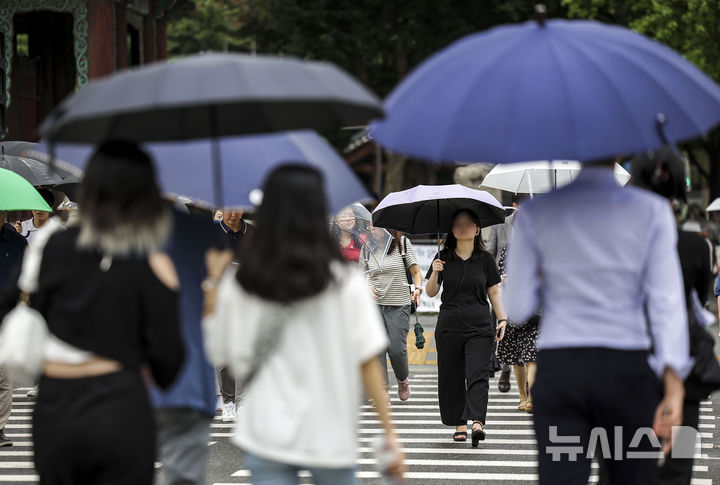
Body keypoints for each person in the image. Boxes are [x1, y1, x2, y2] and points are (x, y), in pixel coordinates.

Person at [203, 164, 404, 485]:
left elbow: (226, 352)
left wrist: (214, 283)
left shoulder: (245, 281)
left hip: (267, 431)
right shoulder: (345, 282)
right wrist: (389, 434)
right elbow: (367, 361)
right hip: (330, 433)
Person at [0, 141, 185, 484]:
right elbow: (169, 359)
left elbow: (10, 304)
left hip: (58, 404)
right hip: (120, 401)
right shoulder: (148, 257)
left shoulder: (49, 244)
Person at [503, 158, 690, 485]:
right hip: (627, 369)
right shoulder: (651, 211)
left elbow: (518, 307)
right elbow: (666, 304)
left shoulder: (537, 213)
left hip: (561, 368)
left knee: (562, 475)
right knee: (632, 475)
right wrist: (674, 388)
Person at [632, 147, 713, 485]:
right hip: (684, 369)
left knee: (627, 465)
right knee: (678, 469)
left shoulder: (619, 243)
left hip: (630, 366)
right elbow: (700, 299)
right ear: (678, 196)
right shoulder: (696, 246)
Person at [425, 209, 508, 447]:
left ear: (477, 229)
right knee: (452, 375)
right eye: (458, 224)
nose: (463, 227)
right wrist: (435, 272)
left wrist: (502, 319)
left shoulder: (485, 260)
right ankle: (460, 423)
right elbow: (431, 292)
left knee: (478, 373)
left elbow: (494, 291)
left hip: (480, 323)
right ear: (451, 229)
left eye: (468, 224)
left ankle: (478, 422)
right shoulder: (442, 257)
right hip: (449, 323)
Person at [149, 209, 220, 485]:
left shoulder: (98, 235)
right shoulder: (202, 232)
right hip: (187, 378)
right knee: (184, 477)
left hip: (120, 381)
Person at [361, 229, 423, 402]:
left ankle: (402, 380)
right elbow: (361, 274)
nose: (374, 229)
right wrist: (365, 286)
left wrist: (418, 289)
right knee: (377, 347)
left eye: (378, 225)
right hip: (373, 305)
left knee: (396, 349)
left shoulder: (402, 244)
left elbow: (416, 272)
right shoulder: (366, 247)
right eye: (372, 225)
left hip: (399, 303)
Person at [215, 207, 251, 421]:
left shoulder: (253, 233)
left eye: (237, 209)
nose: (233, 214)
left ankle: (243, 402)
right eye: (228, 209)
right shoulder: (210, 233)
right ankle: (228, 400)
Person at [486, 194, 524, 393]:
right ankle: (507, 370)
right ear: (515, 205)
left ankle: (524, 376)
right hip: (503, 290)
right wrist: (497, 279)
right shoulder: (501, 226)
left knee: (527, 334)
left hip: (529, 290)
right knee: (507, 333)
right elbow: (490, 256)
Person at [496, 245, 538, 414]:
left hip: (534, 309)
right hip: (514, 309)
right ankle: (523, 397)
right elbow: (500, 277)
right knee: (518, 356)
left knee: (532, 355)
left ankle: (530, 398)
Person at [0, 210, 27, 447]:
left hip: (6, 316)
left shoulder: (18, 243)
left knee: (2, 376)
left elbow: (26, 279)